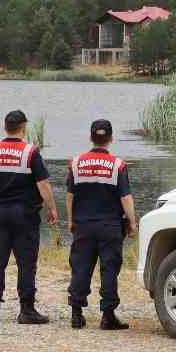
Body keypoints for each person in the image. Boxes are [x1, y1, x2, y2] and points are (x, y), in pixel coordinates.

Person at [0, 109, 57, 324]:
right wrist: (51, 208)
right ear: (23, 127)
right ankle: (27, 310)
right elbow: (43, 184)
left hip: (0, 213)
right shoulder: (30, 152)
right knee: (26, 263)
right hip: (25, 214)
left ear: (5, 127)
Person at [64, 119, 138, 330]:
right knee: (109, 270)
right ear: (111, 139)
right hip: (110, 227)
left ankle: (76, 314)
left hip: (83, 225)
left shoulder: (76, 163)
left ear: (91, 138)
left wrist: (70, 220)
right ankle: (107, 316)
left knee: (80, 268)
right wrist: (132, 223)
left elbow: (70, 196)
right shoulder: (118, 165)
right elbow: (126, 198)